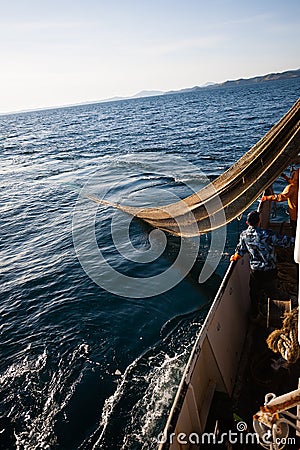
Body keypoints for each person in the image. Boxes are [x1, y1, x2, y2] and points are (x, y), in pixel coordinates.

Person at [230, 210, 295, 319]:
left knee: (254, 293)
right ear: (259, 221)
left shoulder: (244, 235)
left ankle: (255, 314)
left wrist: (234, 257)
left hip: (255, 272)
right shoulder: (268, 234)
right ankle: (276, 316)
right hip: (270, 271)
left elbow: (239, 253)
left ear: (247, 223)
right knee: (273, 293)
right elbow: (287, 241)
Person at [261, 169, 299, 237]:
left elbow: (280, 198)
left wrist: (267, 198)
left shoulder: (291, 187)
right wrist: (284, 176)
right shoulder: (295, 185)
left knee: (295, 230)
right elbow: (294, 181)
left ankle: (294, 241)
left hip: (295, 216)